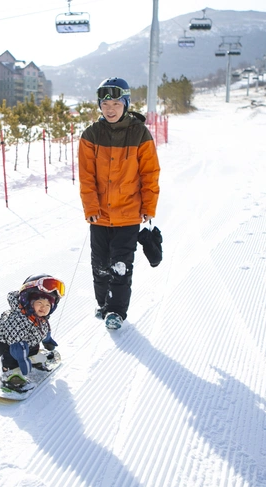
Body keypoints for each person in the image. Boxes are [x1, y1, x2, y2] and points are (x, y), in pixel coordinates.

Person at [78, 77, 160, 330]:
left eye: (115, 103)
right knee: (100, 265)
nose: (110, 109)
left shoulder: (139, 133)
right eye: (105, 104)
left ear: (125, 104)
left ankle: (116, 311)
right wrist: (91, 208)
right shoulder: (91, 134)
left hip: (129, 214)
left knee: (121, 265)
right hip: (99, 216)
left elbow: (150, 173)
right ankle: (104, 303)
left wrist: (149, 206)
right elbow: (86, 176)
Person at [0, 274, 64, 391]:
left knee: (32, 346)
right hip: (4, 342)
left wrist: (47, 339)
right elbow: (16, 343)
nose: (44, 307)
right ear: (28, 301)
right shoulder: (17, 318)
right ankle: (10, 376)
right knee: (11, 357)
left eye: (48, 305)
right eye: (40, 303)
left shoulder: (39, 317)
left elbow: (44, 330)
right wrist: (22, 359)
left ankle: (31, 358)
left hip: (24, 342)